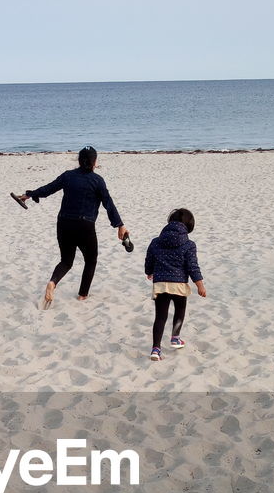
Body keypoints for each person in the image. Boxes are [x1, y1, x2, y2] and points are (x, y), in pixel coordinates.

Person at [12, 147, 130, 307]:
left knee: (66, 261)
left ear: (79, 160)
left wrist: (30, 194)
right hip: (84, 226)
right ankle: (82, 295)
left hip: (64, 224)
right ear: (95, 162)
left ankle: (53, 283)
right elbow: (108, 204)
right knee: (91, 260)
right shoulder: (97, 181)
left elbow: (48, 189)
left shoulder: (68, 176)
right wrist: (119, 225)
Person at [144, 208, 206, 361]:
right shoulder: (189, 244)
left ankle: (156, 349)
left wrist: (149, 271)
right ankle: (175, 337)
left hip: (161, 285)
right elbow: (192, 266)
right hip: (179, 285)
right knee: (179, 311)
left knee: (160, 317)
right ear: (189, 225)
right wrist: (200, 285)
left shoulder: (156, 242)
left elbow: (149, 260)